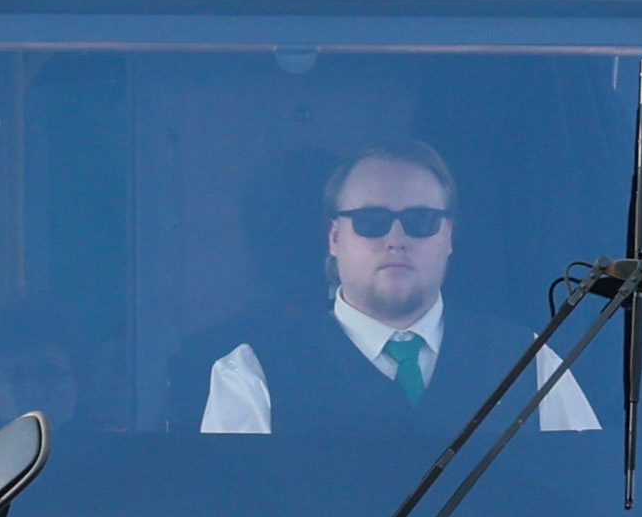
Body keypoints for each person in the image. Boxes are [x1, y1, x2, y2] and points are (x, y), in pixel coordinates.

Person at [201, 140, 602, 436]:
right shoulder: (252, 376)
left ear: (448, 235)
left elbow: (587, 511)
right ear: (334, 238)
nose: (396, 239)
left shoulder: (530, 363)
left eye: (420, 220)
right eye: (371, 221)